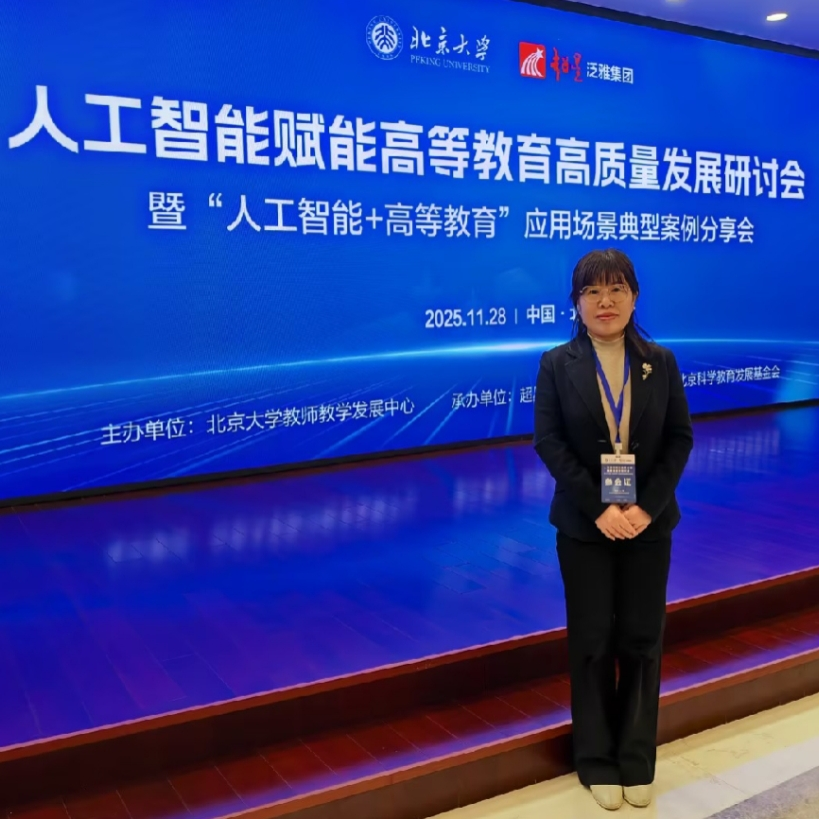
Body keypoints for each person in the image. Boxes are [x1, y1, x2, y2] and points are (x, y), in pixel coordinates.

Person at [533, 249, 694, 811]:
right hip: (585, 525)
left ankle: (636, 759)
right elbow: (549, 442)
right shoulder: (557, 364)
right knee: (593, 641)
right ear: (576, 302)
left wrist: (646, 507)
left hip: (649, 524)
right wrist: (600, 507)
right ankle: (597, 760)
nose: (605, 301)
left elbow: (679, 438)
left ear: (634, 296)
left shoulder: (660, 361)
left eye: (616, 289)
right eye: (592, 291)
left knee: (643, 640)